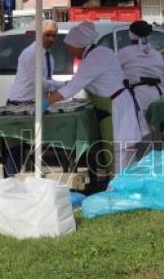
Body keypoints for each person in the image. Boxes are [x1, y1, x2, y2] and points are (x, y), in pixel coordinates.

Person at [46, 22, 143, 175]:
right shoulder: (102, 52)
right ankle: (128, 191)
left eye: (71, 47)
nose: (70, 51)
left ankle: (120, 193)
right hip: (121, 105)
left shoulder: (93, 59)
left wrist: (44, 103)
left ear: (80, 45)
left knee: (119, 158)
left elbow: (72, 88)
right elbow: (79, 81)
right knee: (126, 157)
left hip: (116, 110)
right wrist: (56, 85)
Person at [3, 20, 64, 176]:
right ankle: (10, 184)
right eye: (47, 35)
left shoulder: (49, 57)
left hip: (35, 104)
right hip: (19, 105)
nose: (51, 39)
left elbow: (45, 83)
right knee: (15, 151)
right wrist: (63, 85)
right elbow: (39, 82)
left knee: (33, 150)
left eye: (54, 36)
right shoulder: (31, 54)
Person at [116, 20, 164, 146]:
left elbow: (113, 74)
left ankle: (144, 162)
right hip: (158, 97)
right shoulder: (156, 54)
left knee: (141, 137)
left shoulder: (124, 53)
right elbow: (162, 77)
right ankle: (157, 161)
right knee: (156, 135)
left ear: (130, 35)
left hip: (137, 98)